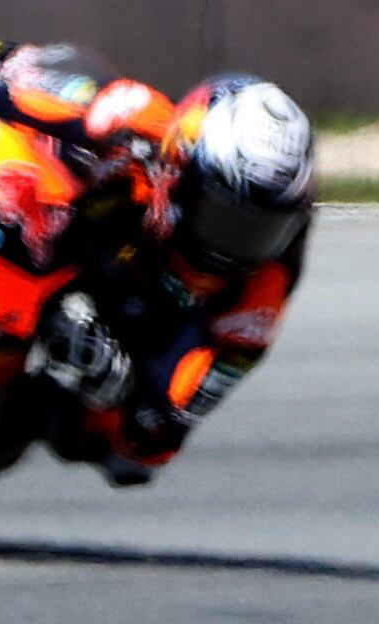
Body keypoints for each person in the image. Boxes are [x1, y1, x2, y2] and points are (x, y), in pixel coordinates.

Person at [33, 74, 315, 486]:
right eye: (224, 218)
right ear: (180, 169)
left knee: (119, 449)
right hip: (51, 252)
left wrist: (113, 386)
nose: (235, 247)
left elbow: (153, 440)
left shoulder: (262, 289)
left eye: (260, 232)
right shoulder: (130, 115)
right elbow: (22, 91)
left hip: (134, 328)